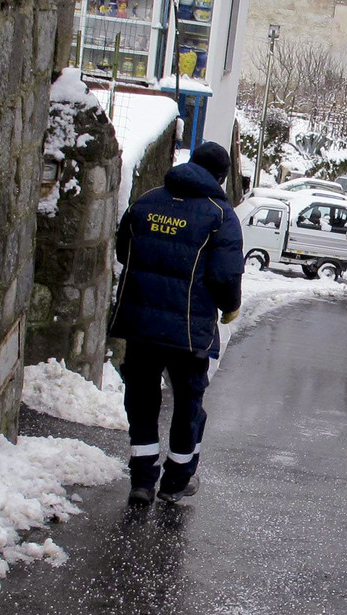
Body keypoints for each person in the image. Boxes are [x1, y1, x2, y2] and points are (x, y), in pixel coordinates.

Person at [109, 141, 244, 505]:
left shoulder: (147, 200)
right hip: (189, 330)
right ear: (221, 176)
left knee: (141, 400)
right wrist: (230, 308)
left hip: (140, 324)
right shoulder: (219, 214)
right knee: (188, 404)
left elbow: (125, 251)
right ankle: (175, 481)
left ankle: (142, 481)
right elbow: (225, 275)